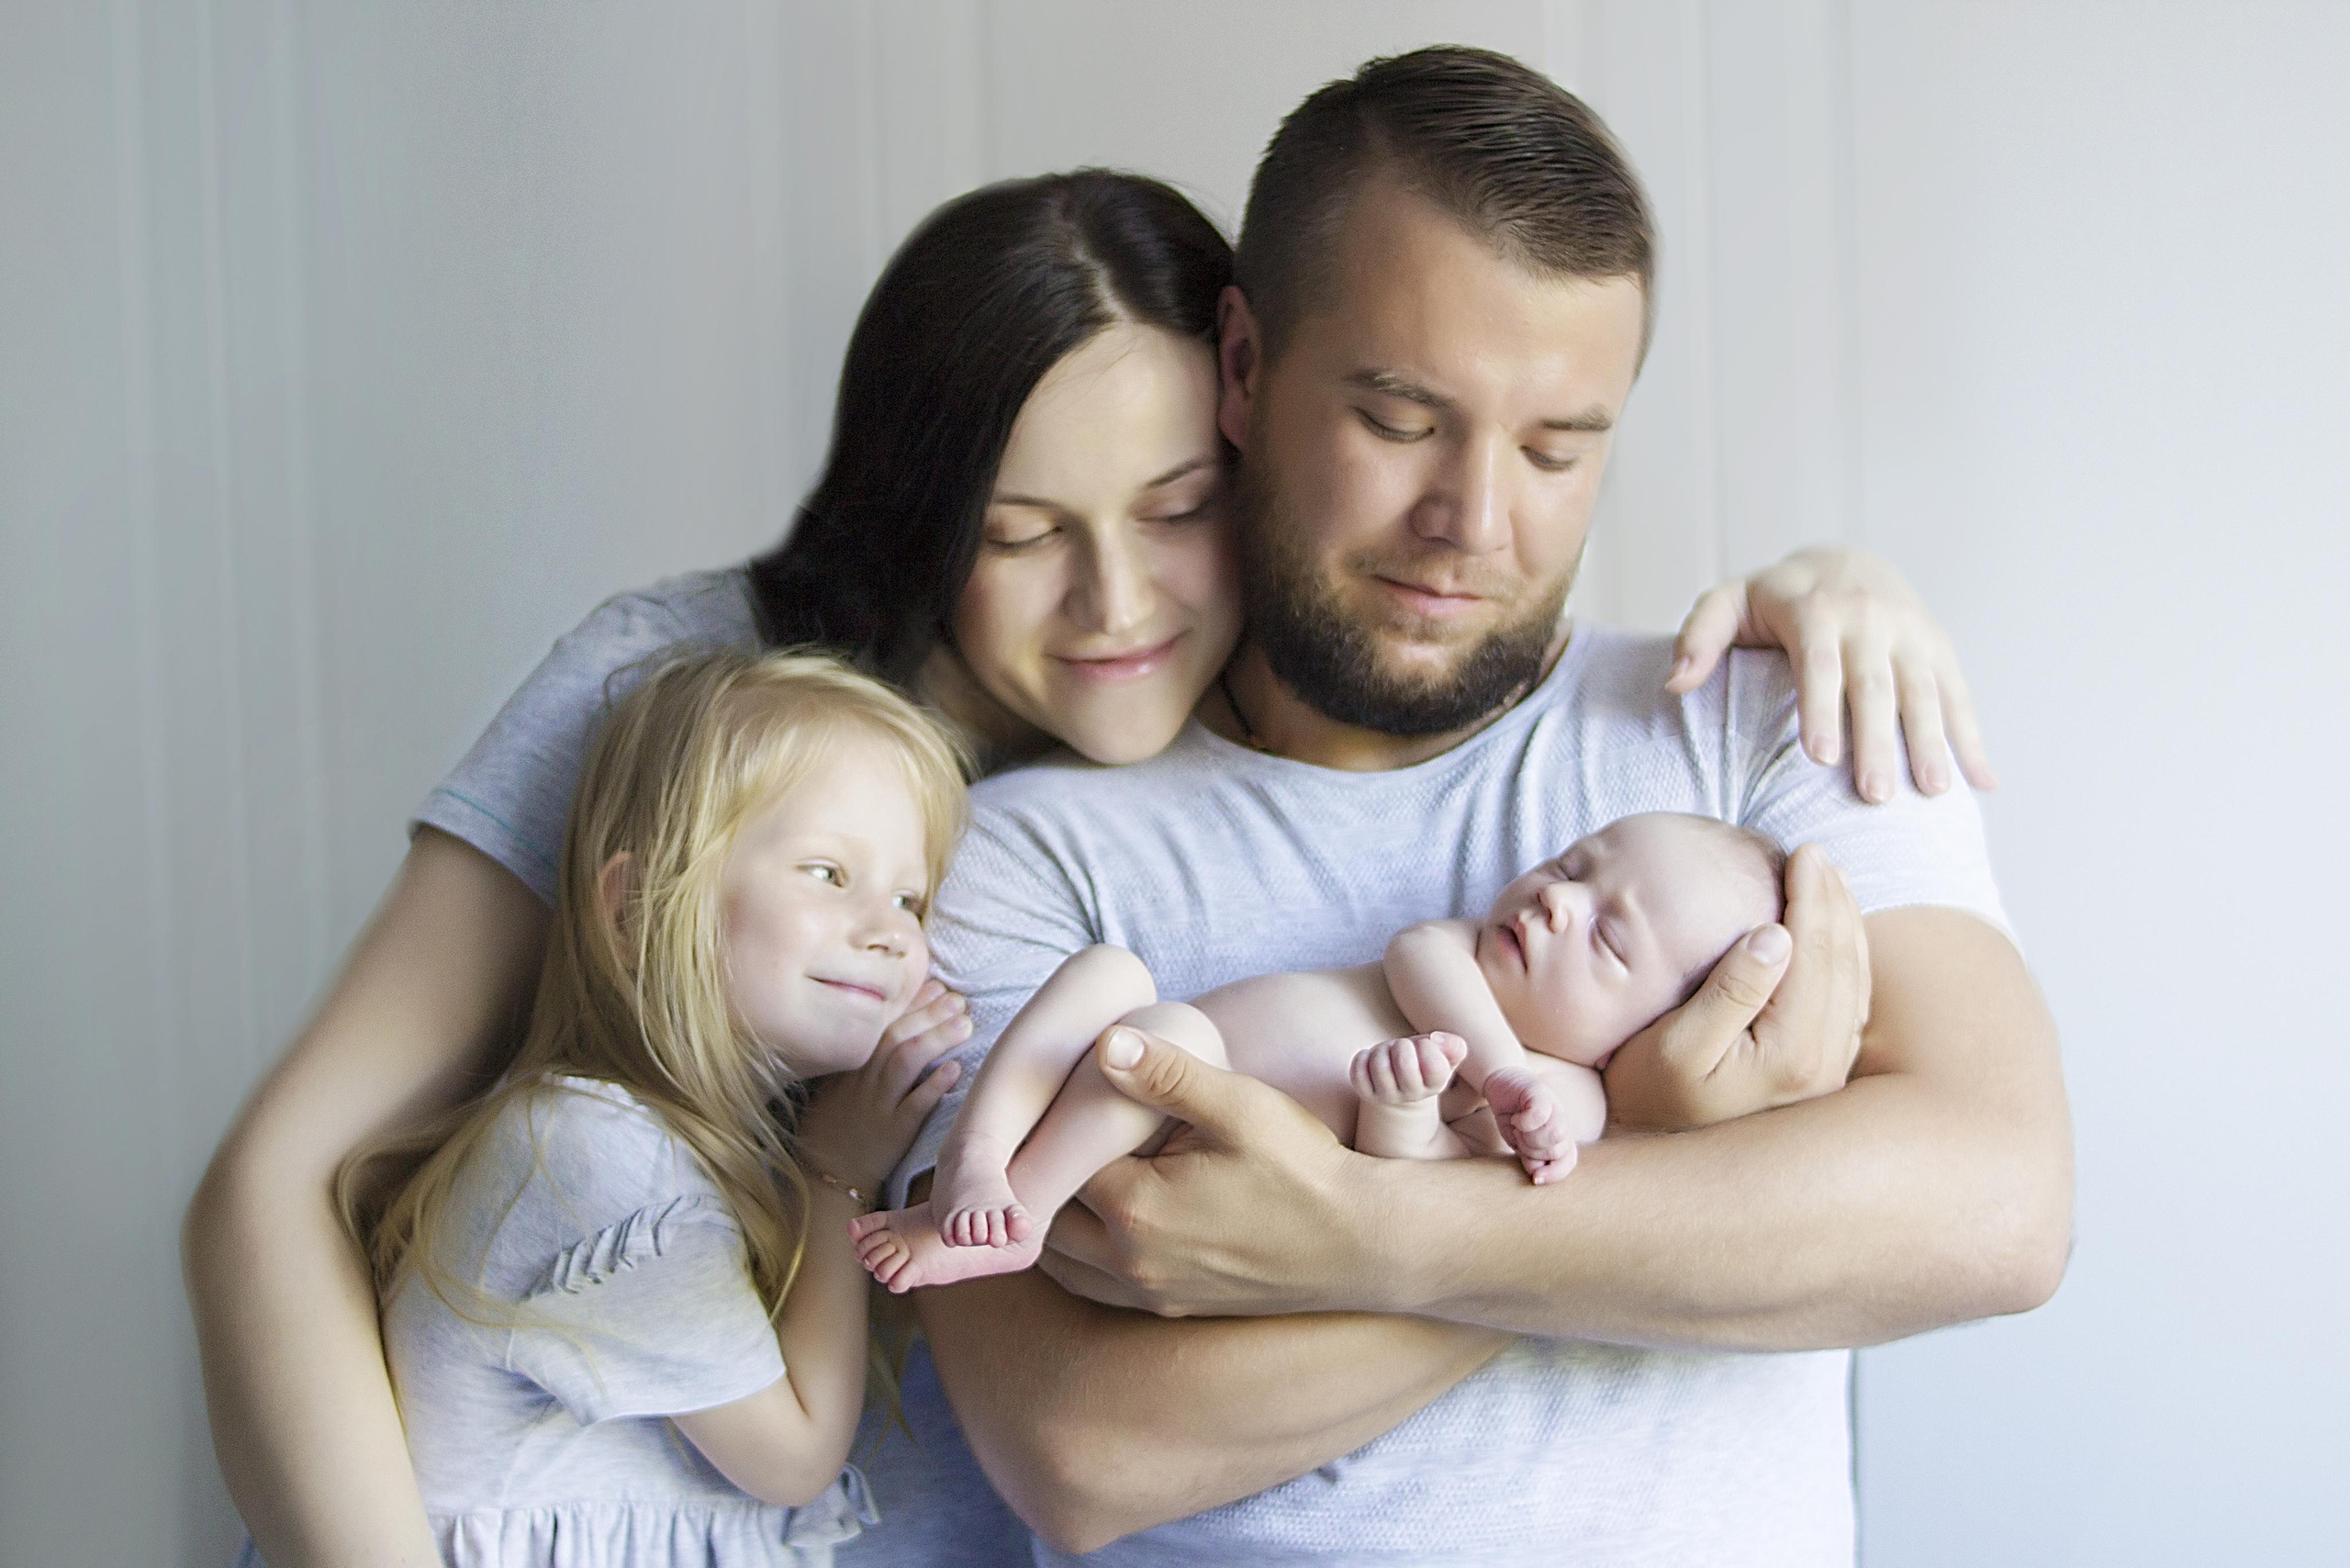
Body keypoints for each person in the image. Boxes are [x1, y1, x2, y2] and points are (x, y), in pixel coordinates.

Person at [183, 158, 2004, 1565]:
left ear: (1241, 434)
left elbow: (1982, 1198)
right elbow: (278, 1181)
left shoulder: (1253, 767)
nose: (1118, 603)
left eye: (1175, 512)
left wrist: (1838, 578)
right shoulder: (692, 692)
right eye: (1019, 533)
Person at [894, 48, 2072, 1566]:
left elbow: (1997, 1206)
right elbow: (1082, 1444)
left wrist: (1371, 1229)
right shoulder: (1031, 858)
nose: (1475, 524)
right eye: (1401, 421)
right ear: (1243, 368)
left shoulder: (1768, 717)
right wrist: (1675, 1180)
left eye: (1556, 447)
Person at [356, 650, 967, 1565]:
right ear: (640, 904)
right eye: (828, 873)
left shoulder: (645, 1143)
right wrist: (835, 1171)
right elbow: (796, 1456)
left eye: (910, 896)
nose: (889, 930)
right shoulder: (593, 1155)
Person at [850, 811, 1784, 1293]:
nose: (1557, 900)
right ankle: (978, 1168)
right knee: (1108, 971)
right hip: (1122, 1089)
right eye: (1575, 864)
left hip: (1208, 1141)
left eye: (1608, 940)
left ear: (1659, 1030)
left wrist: (1405, 1107)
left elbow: (1409, 1192)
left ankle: (1021, 1214)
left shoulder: (1571, 1103)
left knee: (1166, 1037)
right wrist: (1493, 1068)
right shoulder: (1457, 962)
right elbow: (1414, 955)